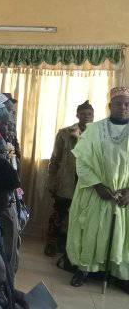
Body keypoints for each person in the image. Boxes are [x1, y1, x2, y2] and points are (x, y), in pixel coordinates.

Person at [67, 86, 129, 287]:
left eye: (127, 104)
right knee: (91, 231)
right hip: (97, 192)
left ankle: (121, 274)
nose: (123, 107)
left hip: (124, 196)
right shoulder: (93, 130)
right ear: (110, 105)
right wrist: (98, 185)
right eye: (118, 104)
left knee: (121, 236)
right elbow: (81, 162)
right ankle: (84, 269)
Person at [46, 100, 94, 257]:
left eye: (90, 114)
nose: (87, 117)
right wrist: (51, 180)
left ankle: (69, 245)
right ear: (77, 115)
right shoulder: (65, 133)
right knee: (59, 213)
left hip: (87, 182)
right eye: (83, 114)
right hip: (66, 181)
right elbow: (55, 158)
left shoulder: (97, 133)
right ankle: (51, 243)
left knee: (80, 217)